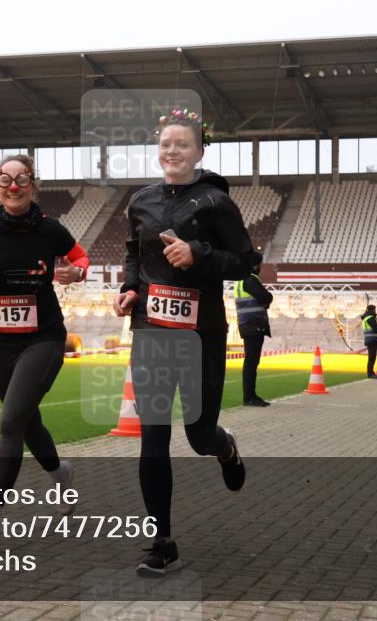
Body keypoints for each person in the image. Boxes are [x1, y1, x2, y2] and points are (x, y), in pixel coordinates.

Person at [112, 108, 254, 577]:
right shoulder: (142, 201)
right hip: (151, 333)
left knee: (197, 435)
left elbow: (245, 261)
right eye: (166, 144)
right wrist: (131, 288)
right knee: (153, 436)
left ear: (200, 151)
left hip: (201, 335)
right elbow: (134, 254)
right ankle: (161, 541)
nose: (173, 151)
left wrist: (200, 253)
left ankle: (225, 447)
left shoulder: (216, 202)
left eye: (183, 144)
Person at [0, 154, 90, 541]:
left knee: (10, 421)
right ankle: (61, 474)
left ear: (32, 184)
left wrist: (76, 274)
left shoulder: (50, 229)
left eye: (21, 178)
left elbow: (80, 258)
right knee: (26, 420)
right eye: (5, 179)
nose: (13, 185)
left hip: (43, 336)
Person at [234, 260, 272, 406]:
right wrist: (266, 301)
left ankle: (250, 395)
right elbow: (266, 297)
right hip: (253, 324)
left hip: (247, 324)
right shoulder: (250, 279)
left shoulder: (240, 280)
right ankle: (249, 397)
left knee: (251, 361)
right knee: (251, 362)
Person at [360, 304, 377, 379]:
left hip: (369, 339)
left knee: (371, 357)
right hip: (372, 339)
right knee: (372, 357)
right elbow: (376, 329)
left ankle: (370, 372)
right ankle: (370, 373)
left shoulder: (365, 318)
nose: (375, 311)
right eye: (374, 310)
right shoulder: (371, 318)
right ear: (372, 310)